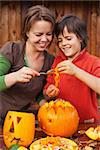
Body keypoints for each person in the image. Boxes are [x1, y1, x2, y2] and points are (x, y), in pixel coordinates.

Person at [0, 5, 55, 125]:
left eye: (49, 34)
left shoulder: (50, 61)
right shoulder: (12, 51)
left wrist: (46, 105)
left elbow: (39, 93)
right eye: (39, 34)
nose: (44, 39)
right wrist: (14, 77)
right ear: (27, 32)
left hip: (20, 121)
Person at [43, 15, 100, 123]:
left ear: (80, 37)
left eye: (68, 38)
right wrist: (49, 92)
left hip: (87, 123)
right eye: (60, 40)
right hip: (61, 122)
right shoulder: (57, 61)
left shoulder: (93, 62)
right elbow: (46, 91)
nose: (63, 44)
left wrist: (76, 71)